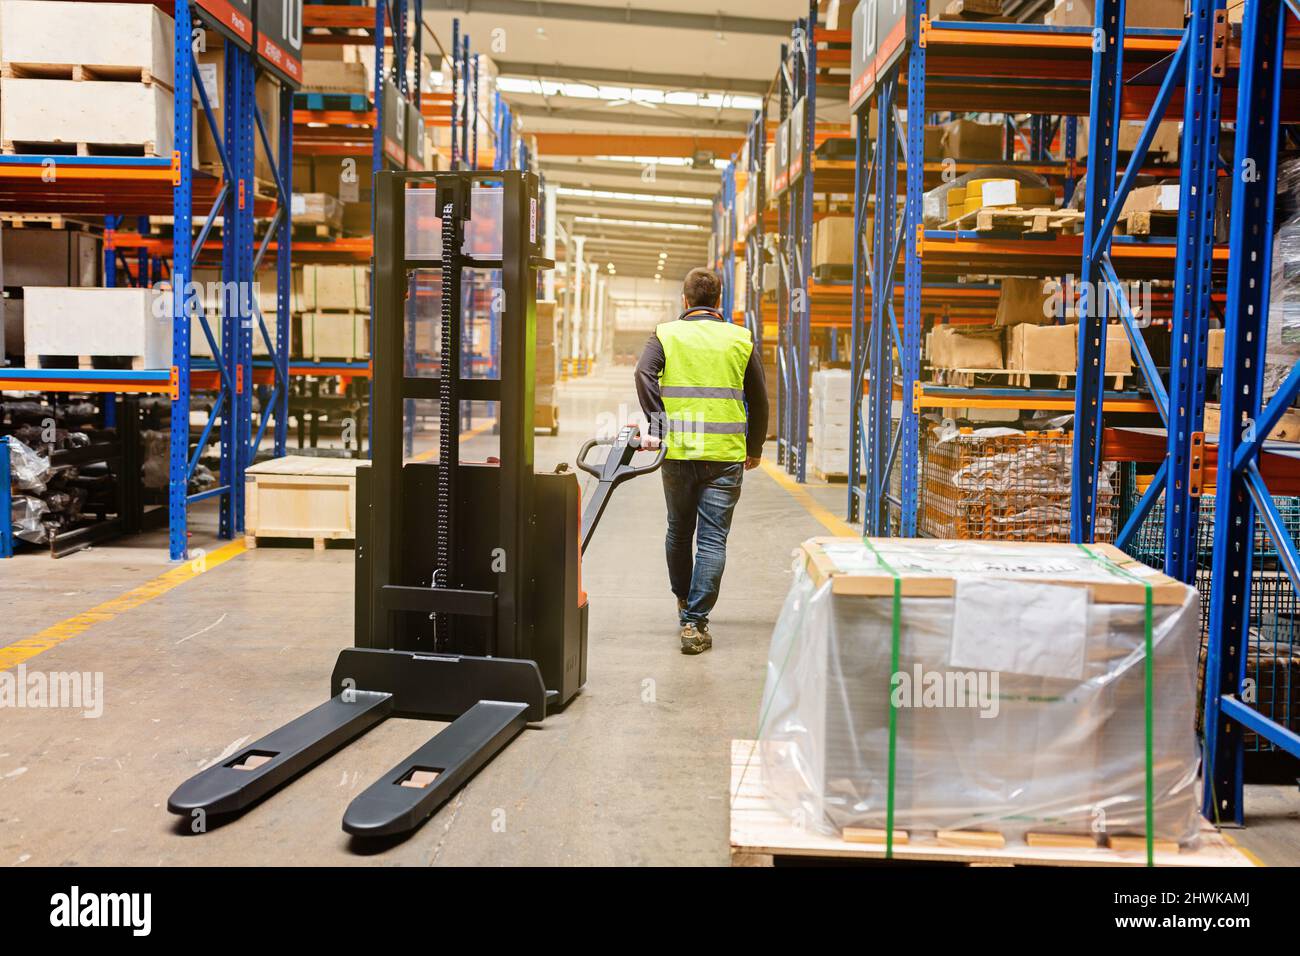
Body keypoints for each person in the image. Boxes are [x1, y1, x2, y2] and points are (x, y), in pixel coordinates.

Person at [635, 267, 768, 655]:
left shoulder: (665, 334)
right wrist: (754, 447)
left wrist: (658, 426)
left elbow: (644, 374)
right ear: (719, 302)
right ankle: (695, 621)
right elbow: (758, 398)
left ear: (685, 300)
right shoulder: (740, 338)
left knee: (679, 531)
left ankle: (684, 599)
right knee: (712, 540)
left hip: (677, 452)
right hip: (725, 457)